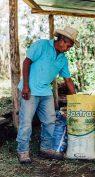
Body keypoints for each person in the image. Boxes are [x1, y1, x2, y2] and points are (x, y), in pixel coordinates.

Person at [16, 26, 79, 164]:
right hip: (30, 90)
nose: (68, 49)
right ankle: (22, 151)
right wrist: (26, 86)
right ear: (62, 40)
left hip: (45, 92)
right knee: (26, 122)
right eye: (68, 46)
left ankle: (45, 149)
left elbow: (67, 79)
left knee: (50, 121)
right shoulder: (42, 45)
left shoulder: (63, 59)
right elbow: (26, 62)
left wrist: (76, 99)